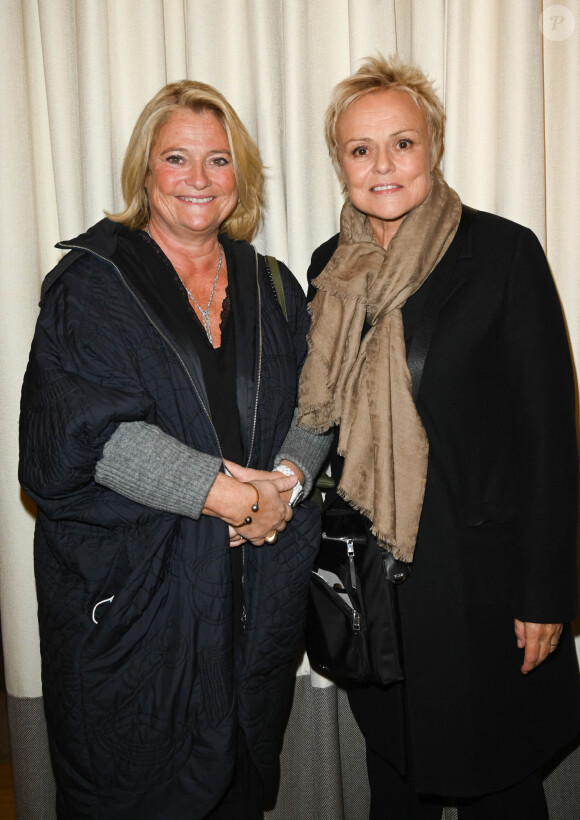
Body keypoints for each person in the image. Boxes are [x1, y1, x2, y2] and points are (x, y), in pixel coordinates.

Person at [19, 80, 329, 820]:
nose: (198, 179)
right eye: (177, 158)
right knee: (138, 786)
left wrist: (282, 485)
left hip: (254, 600)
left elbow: (319, 404)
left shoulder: (274, 284)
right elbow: (84, 434)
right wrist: (224, 494)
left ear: (240, 176)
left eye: (218, 161)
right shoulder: (91, 285)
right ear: (145, 171)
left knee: (240, 782)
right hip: (136, 607)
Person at [298, 55, 580, 819]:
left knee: (499, 785)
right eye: (360, 149)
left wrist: (546, 593)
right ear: (340, 162)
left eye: (402, 143)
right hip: (373, 584)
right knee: (395, 778)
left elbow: (551, 439)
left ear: (434, 148)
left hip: (480, 589)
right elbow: (318, 424)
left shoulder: (501, 254)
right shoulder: (330, 270)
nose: (381, 165)